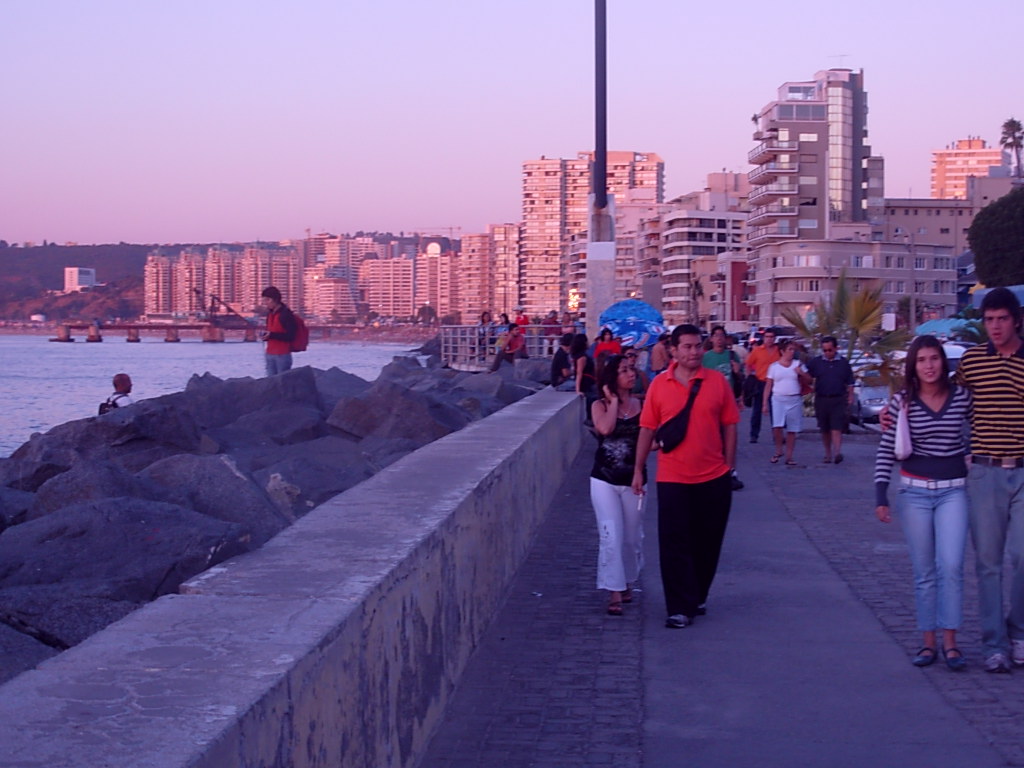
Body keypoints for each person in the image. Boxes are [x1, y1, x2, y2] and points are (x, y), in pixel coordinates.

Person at [631, 324, 740, 629]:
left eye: (698, 346)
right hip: (673, 478)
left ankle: (698, 594)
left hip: (713, 477)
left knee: (707, 542)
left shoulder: (717, 383)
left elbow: (731, 424)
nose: (694, 352)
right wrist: (638, 470)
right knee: (674, 543)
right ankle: (678, 606)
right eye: (687, 347)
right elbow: (647, 429)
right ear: (674, 351)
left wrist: (729, 466)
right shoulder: (659, 385)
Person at [874, 336, 972, 671]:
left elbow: (979, 430)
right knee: (925, 571)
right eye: (921, 360)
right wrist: (880, 494)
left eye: (934, 358)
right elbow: (887, 448)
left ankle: (951, 643)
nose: (929, 366)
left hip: (953, 491)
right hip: (913, 492)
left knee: (952, 566)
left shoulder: (961, 397)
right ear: (913, 366)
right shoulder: (902, 401)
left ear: (943, 362)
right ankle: (928, 642)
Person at [956, 287, 1024, 673]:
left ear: (1016, 320)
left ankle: (1018, 630)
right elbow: (944, 399)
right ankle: (994, 644)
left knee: (1023, 555)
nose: (995, 326)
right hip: (984, 472)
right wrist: (896, 413)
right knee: (988, 563)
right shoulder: (972, 361)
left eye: (1001, 319)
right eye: (989, 319)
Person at [590, 354, 646, 616]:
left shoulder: (642, 405)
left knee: (632, 537)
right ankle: (614, 590)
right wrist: (613, 401)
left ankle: (626, 582)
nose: (631, 374)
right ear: (613, 378)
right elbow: (605, 429)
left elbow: (650, 441)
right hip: (604, 480)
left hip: (634, 480)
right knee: (611, 535)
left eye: (632, 369)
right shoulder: (599, 405)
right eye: (624, 370)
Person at [806, 335, 855, 464]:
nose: (827, 353)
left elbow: (850, 382)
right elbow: (807, 375)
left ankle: (837, 452)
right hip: (822, 398)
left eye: (830, 350)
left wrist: (850, 396)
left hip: (838, 399)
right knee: (825, 428)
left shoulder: (843, 363)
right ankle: (827, 453)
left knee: (837, 427)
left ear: (835, 348)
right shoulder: (816, 362)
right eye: (825, 350)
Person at [764, 339, 811, 466]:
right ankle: (779, 450)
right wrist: (764, 403)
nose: (792, 352)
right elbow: (768, 385)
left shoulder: (798, 364)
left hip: (794, 399)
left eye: (793, 350)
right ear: (782, 351)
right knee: (777, 426)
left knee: (792, 429)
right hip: (778, 398)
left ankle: (789, 456)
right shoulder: (774, 367)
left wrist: (801, 373)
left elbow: (809, 380)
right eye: (789, 350)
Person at [745, 329, 780, 443]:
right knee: (757, 410)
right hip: (760, 382)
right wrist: (750, 377)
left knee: (775, 410)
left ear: (774, 338)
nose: (769, 339)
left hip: (775, 384)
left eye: (771, 337)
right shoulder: (757, 351)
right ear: (764, 338)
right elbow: (748, 364)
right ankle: (754, 434)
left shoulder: (778, 351)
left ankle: (777, 435)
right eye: (767, 337)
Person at [260, 286, 297, 376]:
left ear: (273, 299)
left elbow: (290, 336)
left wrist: (272, 335)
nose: (265, 303)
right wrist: (266, 336)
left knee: (282, 384)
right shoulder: (270, 314)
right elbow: (271, 331)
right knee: (271, 384)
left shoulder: (286, 314)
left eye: (267, 300)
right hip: (269, 353)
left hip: (282, 355)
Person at [570, 333, 597, 403]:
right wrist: (578, 390)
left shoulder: (580, 355)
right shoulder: (582, 357)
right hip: (587, 385)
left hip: (589, 383)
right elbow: (579, 373)